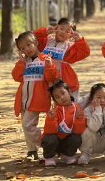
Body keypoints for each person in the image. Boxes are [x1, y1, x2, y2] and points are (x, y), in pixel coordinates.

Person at [12, 31, 59, 160]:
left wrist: (49, 66)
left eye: (28, 45)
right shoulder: (24, 61)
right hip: (23, 99)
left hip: (37, 99)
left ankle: (48, 144)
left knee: (27, 126)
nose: (26, 49)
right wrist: (21, 62)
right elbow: (16, 77)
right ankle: (32, 150)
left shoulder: (45, 58)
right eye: (22, 48)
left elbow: (52, 77)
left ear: (36, 43)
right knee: (25, 126)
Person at [34, 17, 90, 101]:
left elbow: (85, 52)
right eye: (61, 28)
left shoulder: (70, 47)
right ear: (56, 27)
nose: (63, 32)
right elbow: (31, 38)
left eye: (67, 31)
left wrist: (79, 39)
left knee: (68, 104)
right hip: (45, 78)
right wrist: (45, 32)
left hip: (64, 81)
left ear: (71, 35)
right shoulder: (46, 41)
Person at [41, 79, 86, 167]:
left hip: (67, 141)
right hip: (54, 141)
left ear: (69, 92)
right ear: (55, 100)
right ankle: (49, 157)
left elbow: (78, 131)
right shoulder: (54, 111)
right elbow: (50, 131)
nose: (62, 97)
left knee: (77, 138)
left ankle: (67, 156)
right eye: (57, 97)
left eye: (63, 93)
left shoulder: (77, 108)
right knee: (50, 138)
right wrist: (51, 118)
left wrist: (79, 119)